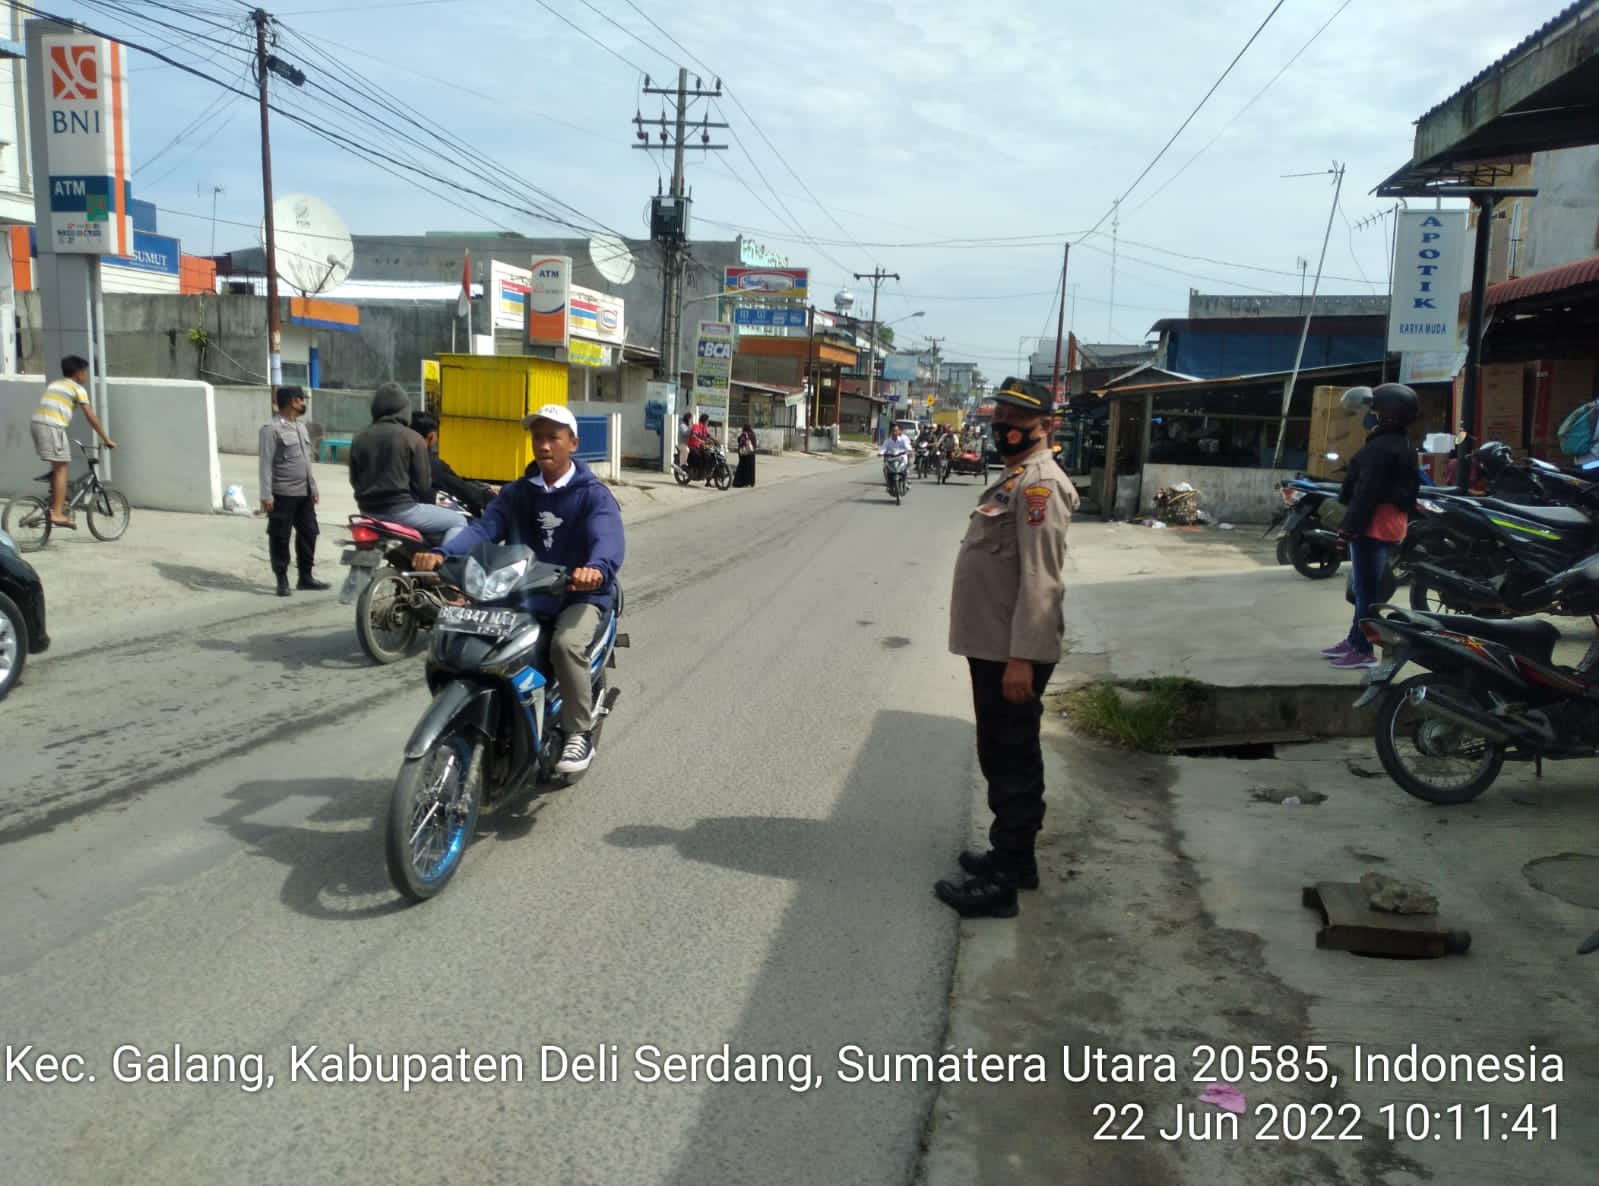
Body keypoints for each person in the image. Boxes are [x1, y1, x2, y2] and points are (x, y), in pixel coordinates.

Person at [411, 405, 624, 774]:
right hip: (522, 590)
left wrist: (595, 569)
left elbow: (607, 538)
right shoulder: (518, 493)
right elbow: (483, 529)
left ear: (572, 443)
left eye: (552, 437)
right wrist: (442, 554)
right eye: (537, 437)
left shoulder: (593, 495)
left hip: (577, 594)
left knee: (565, 644)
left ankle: (579, 732)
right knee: (478, 641)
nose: (543, 445)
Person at [935, 377, 1079, 919]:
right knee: (1001, 754)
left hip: (1010, 652)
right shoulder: (1016, 479)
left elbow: (1042, 580)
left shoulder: (1040, 486)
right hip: (995, 646)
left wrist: (1023, 658)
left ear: (1047, 426)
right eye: (1000, 419)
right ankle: (1014, 862)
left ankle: (1004, 885)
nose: (1005, 429)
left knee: (1012, 759)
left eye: (1018, 421)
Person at [1323, 383, 1420, 671]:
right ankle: (1354, 640)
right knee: (1366, 589)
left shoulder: (1381, 447)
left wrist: (1347, 528)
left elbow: (1367, 493)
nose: (1371, 417)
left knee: (1366, 593)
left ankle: (1364, 649)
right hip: (1385, 524)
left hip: (1373, 526)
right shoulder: (1398, 443)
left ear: (1388, 415)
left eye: (1375, 412)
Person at [348, 382, 468, 543]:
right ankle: (442, 561)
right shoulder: (412, 438)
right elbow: (423, 485)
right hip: (402, 511)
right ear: (405, 410)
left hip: (366, 511)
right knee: (458, 521)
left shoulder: (359, 437)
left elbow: (354, 479)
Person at [30, 354, 116, 529]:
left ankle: (55, 498)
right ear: (79, 373)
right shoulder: (77, 389)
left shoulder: (55, 385)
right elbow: (90, 416)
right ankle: (57, 513)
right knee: (63, 467)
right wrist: (106, 439)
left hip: (36, 425)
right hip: (53, 427)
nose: (86, 376)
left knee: (57, 465)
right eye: (85, 373)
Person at [257, 385, 327, 596]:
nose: (303, 403)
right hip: (282, 494)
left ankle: (305, 577)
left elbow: (307, 462)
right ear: (292, 402)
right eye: (300, 400)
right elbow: (265, 464)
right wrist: (266, 495)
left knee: (309, 533)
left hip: (304, 493)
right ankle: (282, 579)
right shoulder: (271, 429)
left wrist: (313, 488)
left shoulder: (301, 427)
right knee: (280, 536)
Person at [410, 410, 498, 516]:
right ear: (432, 436)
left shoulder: (401, 455)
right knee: (461, 522)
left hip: (401, 508)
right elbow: (459, 488)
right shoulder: (429, 462)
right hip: (417, 511)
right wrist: (489, 498)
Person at [733, 422, 757, 488]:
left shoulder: (744, 434)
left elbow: (740, 441)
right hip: (752, 454)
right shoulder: (753, 434)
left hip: (745, 455)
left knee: (742, 468)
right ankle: (750, 482)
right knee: (751, 469)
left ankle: (740, 483)